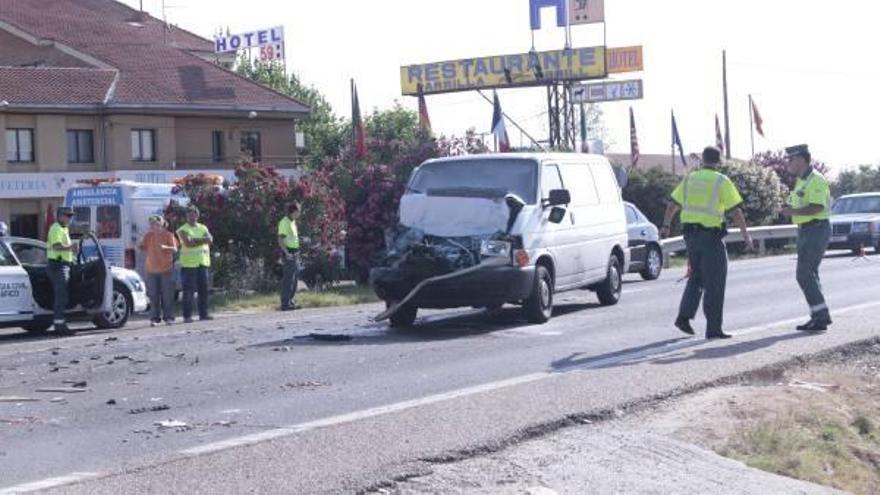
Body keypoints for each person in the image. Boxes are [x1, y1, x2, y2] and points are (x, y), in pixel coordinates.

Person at [660, 146, 755, 340]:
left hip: (691, 237)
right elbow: (736, 211)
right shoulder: (721, 180)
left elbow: (672, 205)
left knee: (697, 277)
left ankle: (684, 317)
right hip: (710, 237)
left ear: (702, 160)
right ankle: (714, 329)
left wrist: (666, 226)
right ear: (718, 161)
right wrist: (747, 237)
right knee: (716, 282)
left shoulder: (689, 179)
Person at [780, 144, 832, 332]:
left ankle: (821, 316)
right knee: (810, 274)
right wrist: (788, 207)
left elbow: (817, 207)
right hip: (806, 229)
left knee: (803, 274)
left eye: (791, 159)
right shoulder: (801, 180)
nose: (789, 163)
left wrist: (792, 211)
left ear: (802, 159)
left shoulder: (815, 180)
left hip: (816, 228)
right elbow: (803, 204)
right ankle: (817, 316)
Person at [139, 215, 178, 326]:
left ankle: (169, 318)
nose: (153, 226)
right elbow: (141, 247)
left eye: (156, 223)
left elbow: (175, 249)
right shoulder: (148, 235)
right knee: (153, 296)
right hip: (151, 269)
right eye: (151, 224)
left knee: (167, 296)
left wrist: (166, 248)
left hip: (166, 269)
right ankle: (154, 318)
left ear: (161, 224)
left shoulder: (168, 235)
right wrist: (139, 242)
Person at [176, 207, 213, 323]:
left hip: (202, 263)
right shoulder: (182, 229)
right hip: (189, 265)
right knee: (188, 292)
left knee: (203, 290)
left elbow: (210, 240)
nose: (191, 217)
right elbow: (188, 243)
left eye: (193, 215)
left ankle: (204, 314)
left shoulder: (203, 227)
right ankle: (187, 316)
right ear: (186, 217)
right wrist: (203, 240)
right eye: (189, 215)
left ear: (197, 216)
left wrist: (195, 240)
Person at [47, 206, 77, 336]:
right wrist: (72, 247)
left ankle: (60, 323)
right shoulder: (56, 228)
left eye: (71, 216)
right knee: (61, 297)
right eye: (67, 216)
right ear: (60, 216)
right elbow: (57, 246)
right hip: (58, 266)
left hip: (63, 265)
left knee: (62, 296)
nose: (70, 218)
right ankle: (59, 326)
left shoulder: (64, 228)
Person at [277, 202, 301, 311]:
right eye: (298, 211)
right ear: (293, 211)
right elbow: (280, 239)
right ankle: (285, 303)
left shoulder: (293, 222)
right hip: (289, 254)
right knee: (288, 280)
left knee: (294, 279)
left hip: (295, 253)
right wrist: (286, 253)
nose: (299, 213)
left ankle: (290, 301)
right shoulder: (284, 222)